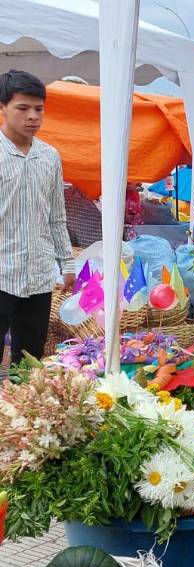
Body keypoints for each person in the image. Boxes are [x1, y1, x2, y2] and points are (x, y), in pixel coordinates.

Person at [0, 70, 74, 362]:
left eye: (39, 109)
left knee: (30, 358)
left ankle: (24, 408)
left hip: (40, 278)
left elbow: (56, 215)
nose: (33, 116)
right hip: (2, 273)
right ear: (3, 107)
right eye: (23, 108)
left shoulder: (50, 156)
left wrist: (66, 263)